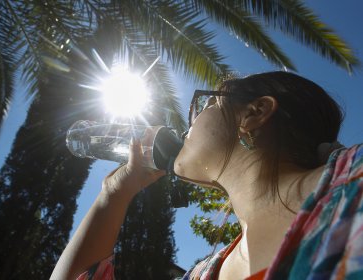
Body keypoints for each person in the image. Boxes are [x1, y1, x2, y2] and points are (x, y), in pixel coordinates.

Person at [51, 71, 363, 280]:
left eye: (208, 103)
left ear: (255, 113)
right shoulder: (205, 273)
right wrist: (113, 194)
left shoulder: (355, 182)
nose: (191, 122)